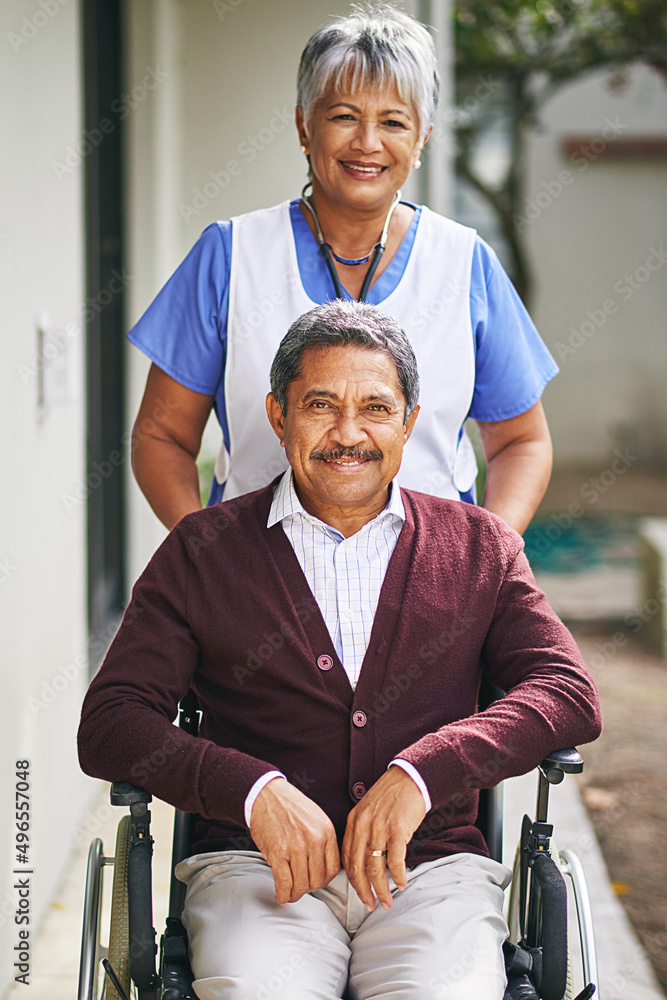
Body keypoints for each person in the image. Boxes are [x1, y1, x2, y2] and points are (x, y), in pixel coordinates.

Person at [79, 301, 600, 1000]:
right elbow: (112, 722)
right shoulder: (201, 551)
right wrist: (252, 791)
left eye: (376, 409)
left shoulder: (479, 547)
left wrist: (422, 773)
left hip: (430, 875)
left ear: (409, 423)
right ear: (277, 415)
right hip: (255, 868)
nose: (348, 434)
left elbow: (564, 691)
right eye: (320, 404)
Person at [128, 5, 557, 535]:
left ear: (422, 138)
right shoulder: (230, 255)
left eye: (394, 122)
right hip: (261, 593)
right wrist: (207, 561)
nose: (368, 143)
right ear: (304, 127)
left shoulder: (464, 262)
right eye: (344, 116)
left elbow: (523, 442)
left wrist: (485, 563)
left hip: (429, 592)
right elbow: (160, 436)